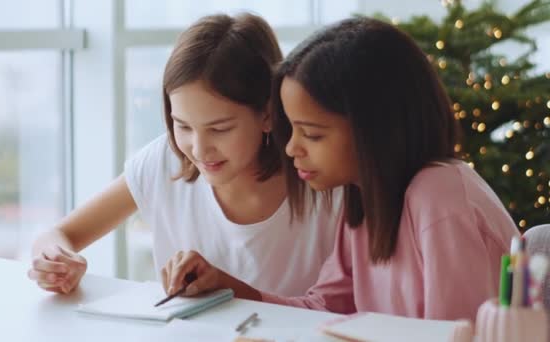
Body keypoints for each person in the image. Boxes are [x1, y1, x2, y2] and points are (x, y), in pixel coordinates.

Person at [160, 17, 519, 321]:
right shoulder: (363, 201)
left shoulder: (440, 195)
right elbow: (322, 309)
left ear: (374, 127)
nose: (290, 147)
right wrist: (225, 286)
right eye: (292, 128)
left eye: (312, 134)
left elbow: (456, 336)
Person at [27, 13, 342, 297]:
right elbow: (57, 235)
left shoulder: (324, 181)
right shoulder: (164, 162)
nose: (199, 149)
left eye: (220, 129)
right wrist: (57, 261)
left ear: (268, 114)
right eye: (183, 126)